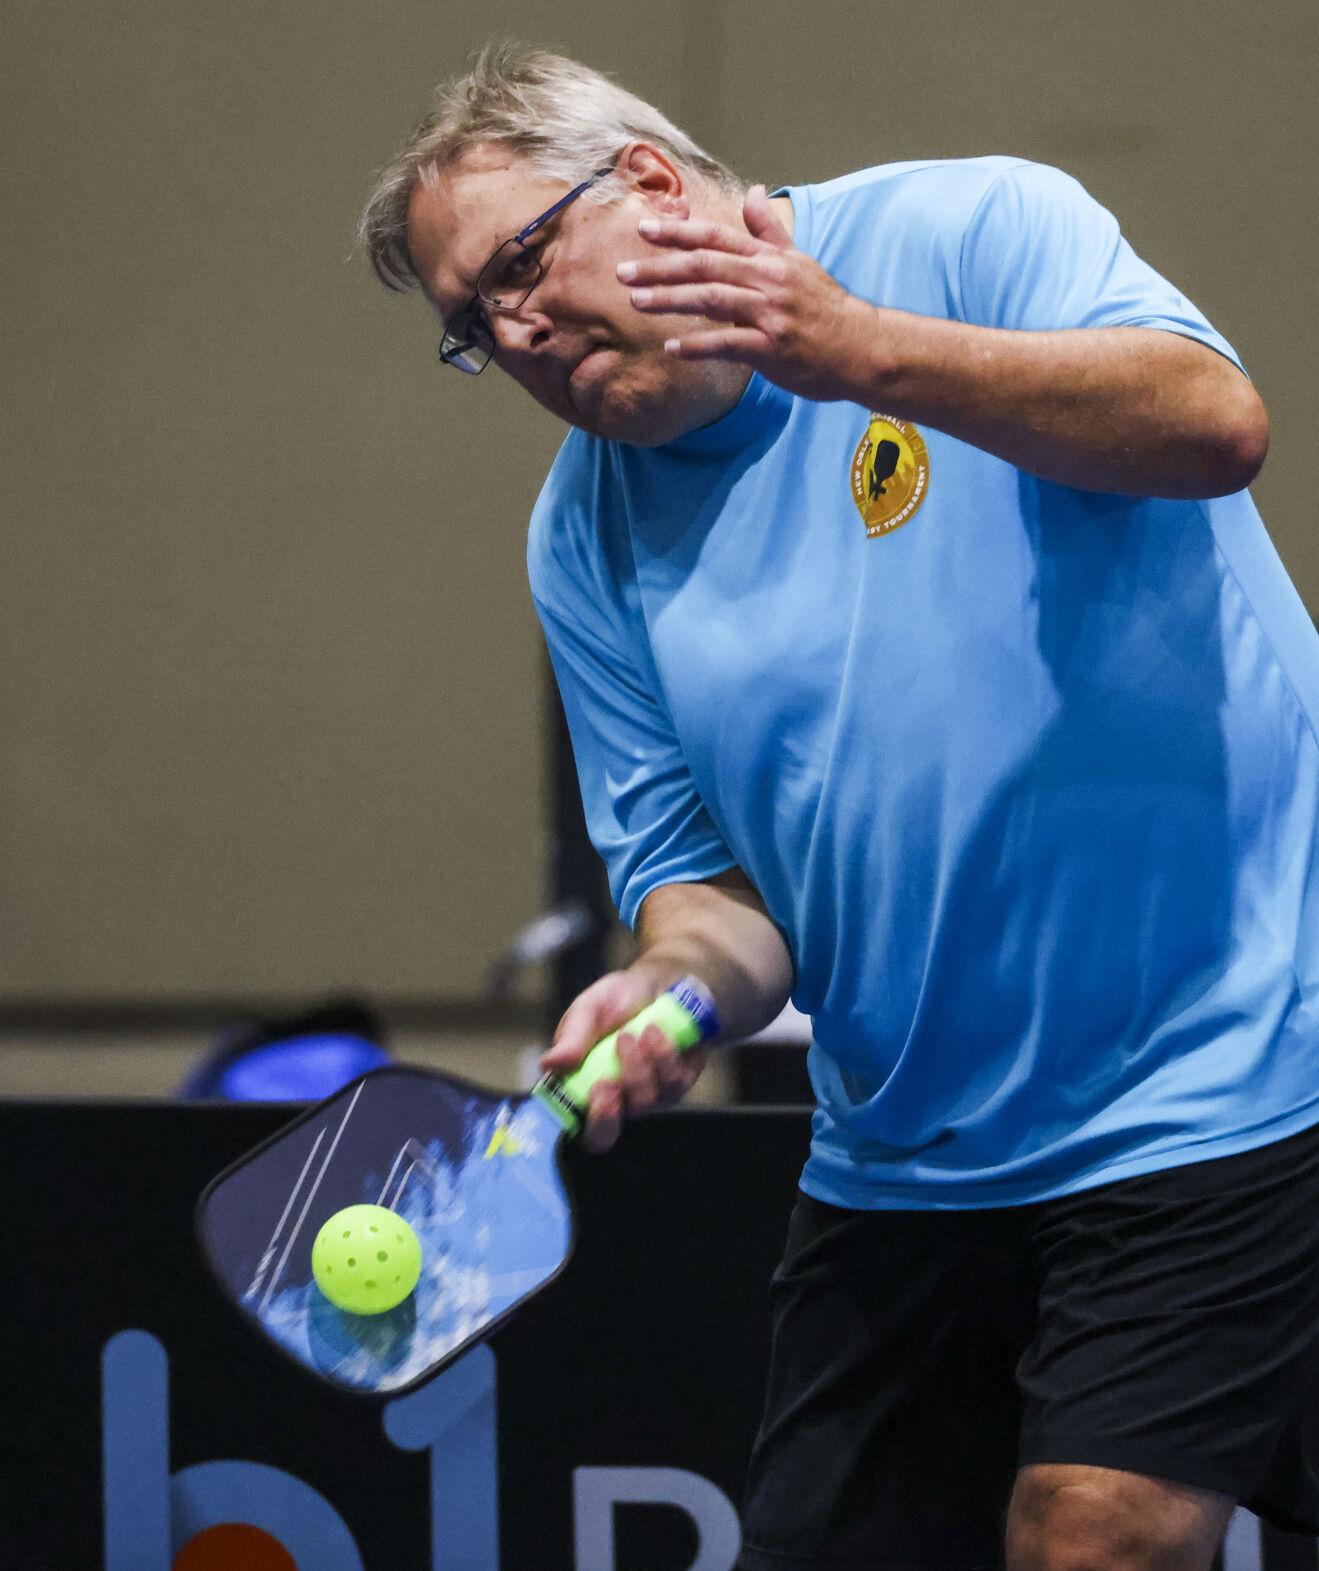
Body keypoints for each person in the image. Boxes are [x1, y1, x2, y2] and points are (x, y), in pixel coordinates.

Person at [359, 41, 1319, 1571]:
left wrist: (862, 350)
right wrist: (667, 987)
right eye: (477, 329)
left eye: (522, 268)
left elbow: (1214, 426)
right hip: (908, 1147)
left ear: (655, 184)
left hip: (1217, 1063)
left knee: (1099, 1534)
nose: (520, 332)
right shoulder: (583, 544)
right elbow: (719, 902)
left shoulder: (973, 231)